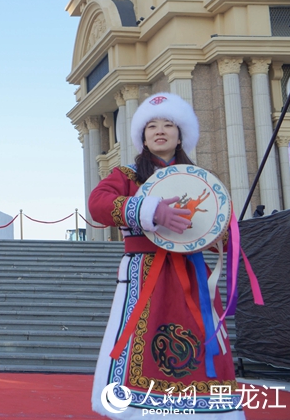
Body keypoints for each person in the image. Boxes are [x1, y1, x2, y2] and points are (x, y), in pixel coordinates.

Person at [88, 93, 243, 419]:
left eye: (169, 125)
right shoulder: (127, 176)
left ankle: (204, 409)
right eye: (152, 126)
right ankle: (136, 409)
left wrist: (217, 231)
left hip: (191, 273)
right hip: (144, 274)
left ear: (180, 133)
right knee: (140, 339)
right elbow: (98, 204)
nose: (160, 131)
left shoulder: (199, 180)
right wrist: (151, 210)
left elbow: (223, 237)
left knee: (201, 338)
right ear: (142, 136)